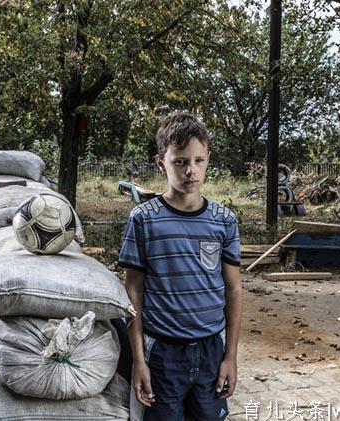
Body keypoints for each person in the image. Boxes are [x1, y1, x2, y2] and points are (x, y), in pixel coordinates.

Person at [118, 111, 242, 420]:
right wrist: (139, 360)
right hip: (163, 354)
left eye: (199, 161)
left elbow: (234, 288)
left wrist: (231, 357)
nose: (191, 171)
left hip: (211, 351)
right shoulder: (144, 220)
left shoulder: (224, 221)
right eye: (180, 161)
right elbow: (133, 289)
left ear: (208, 159)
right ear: (161, 162)